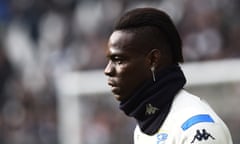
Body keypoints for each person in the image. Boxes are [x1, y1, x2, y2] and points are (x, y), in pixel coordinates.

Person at [104, 7, 233, 144]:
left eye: (118, 60)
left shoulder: (197, 129)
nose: (108, 70)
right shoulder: (145, 128)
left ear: (153, 60)